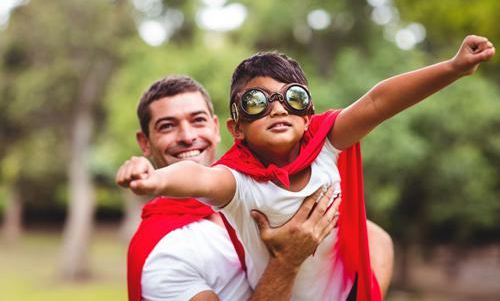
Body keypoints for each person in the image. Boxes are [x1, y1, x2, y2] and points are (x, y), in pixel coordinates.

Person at [120, 35, 493, 299]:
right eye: (256, 102)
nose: (278, 108)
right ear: (237, 129)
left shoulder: (326, 143)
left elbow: (379, 102)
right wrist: (151, 180)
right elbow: (197, 177)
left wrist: (452, 67)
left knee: (375, 236)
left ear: (309, 113)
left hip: (345, 293)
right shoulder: (235, 183)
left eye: (292, 98)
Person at [124, 76, 344, 301]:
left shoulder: (258, 191)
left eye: (198, 120)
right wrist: (286, 262)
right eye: (167, 126)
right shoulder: (165, 252)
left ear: (217, 128)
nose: (188, 137)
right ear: (144, 142)